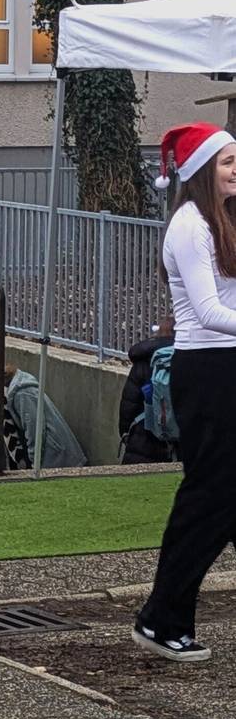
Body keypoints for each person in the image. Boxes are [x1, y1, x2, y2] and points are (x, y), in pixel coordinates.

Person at [133, 123, 236, 663]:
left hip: (227, 365)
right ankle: (160, 617)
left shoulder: (223, 220)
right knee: (209, 498)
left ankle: (163, 616)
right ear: (199, 171)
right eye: (226, 162)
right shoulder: (190, 225)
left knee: (224, 497)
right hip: (210, 370)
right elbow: (211, 314)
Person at [119, 317, 176, 464]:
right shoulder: (188, 357)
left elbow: (129, 402)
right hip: (181, 438)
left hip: (144, 438)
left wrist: (125, 432)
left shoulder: (143, 358)